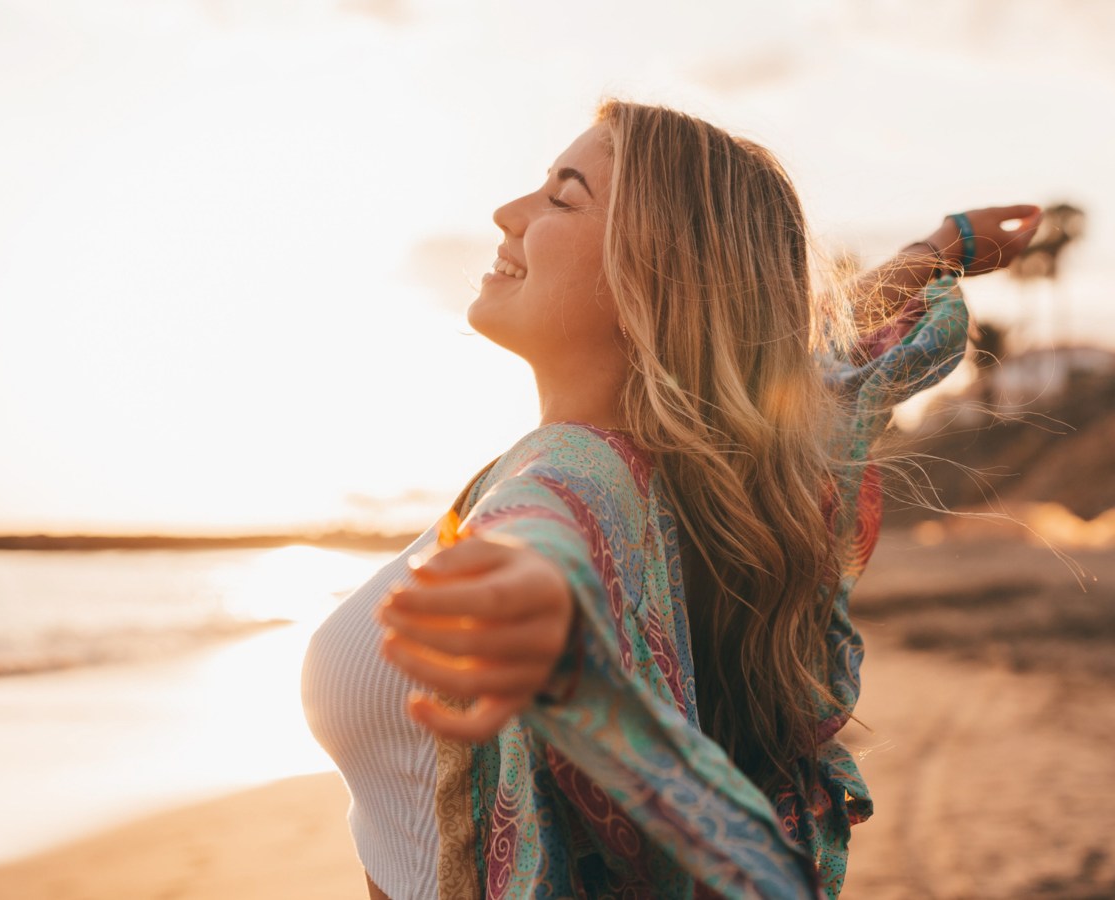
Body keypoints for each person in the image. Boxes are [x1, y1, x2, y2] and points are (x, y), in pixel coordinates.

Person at [302, 100, 1041, 900]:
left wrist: (543, 605)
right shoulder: (677, 467)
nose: (507, 213)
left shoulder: (571, 477)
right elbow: (815, 378)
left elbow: (546, 538)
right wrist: (931, 253)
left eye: (561, 195)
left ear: (657, 274)